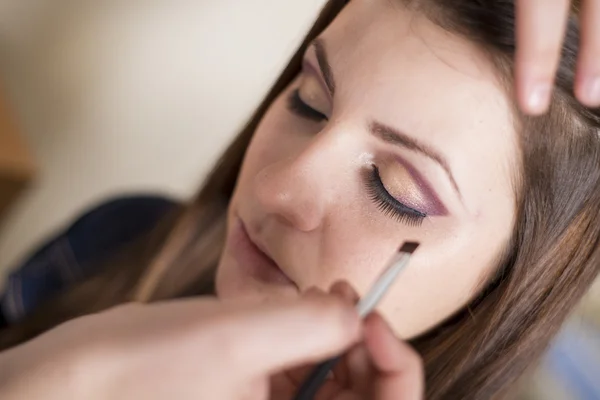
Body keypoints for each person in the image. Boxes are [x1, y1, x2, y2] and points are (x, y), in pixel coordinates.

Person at [1, 0, 599, 399]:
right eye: (310, 100)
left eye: (396, 192)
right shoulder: (117, 238)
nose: (275, 187)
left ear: (506, 287)